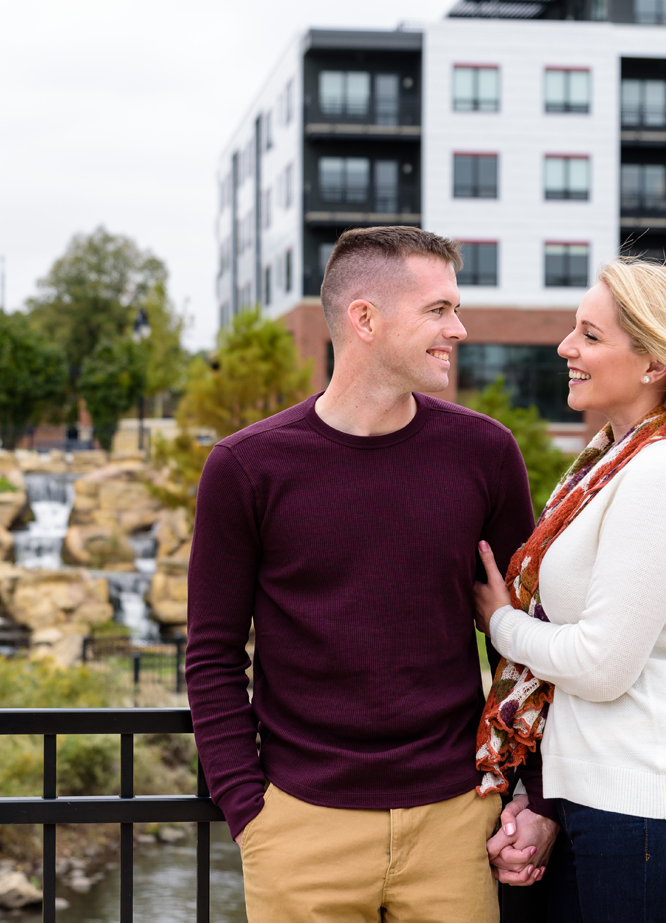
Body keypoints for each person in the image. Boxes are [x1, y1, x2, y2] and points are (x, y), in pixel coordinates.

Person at [186, 225, 540, 923]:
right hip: (300, 828)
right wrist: (249, 810)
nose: (459, 328)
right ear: (366, 319)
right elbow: (212, 652)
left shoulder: (486, 453)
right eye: (438, 310)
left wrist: (527, 790)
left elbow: (523, 640)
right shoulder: (246, 467)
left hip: (456, 821)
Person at [473, 258, 666, 922]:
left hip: (654, 812)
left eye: (590, 335)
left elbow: (602, 666)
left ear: (654, 361)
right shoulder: (607, 463)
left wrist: (500, 621)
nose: (565, 347)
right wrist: (539, 798)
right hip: (608, 804)